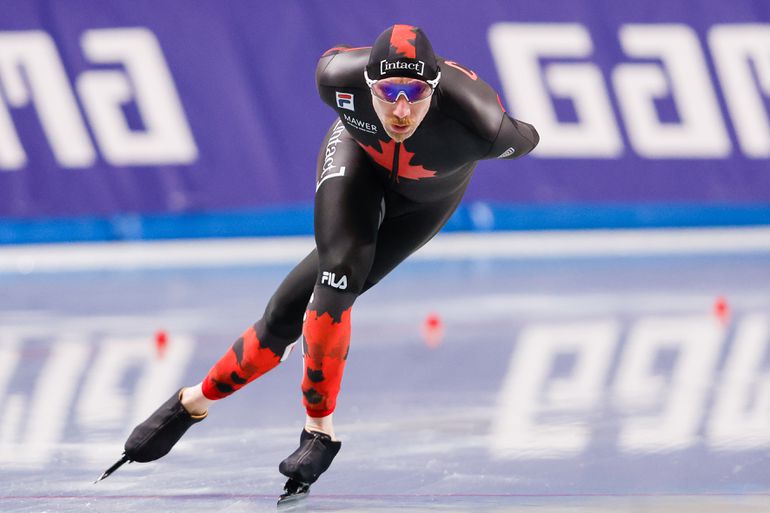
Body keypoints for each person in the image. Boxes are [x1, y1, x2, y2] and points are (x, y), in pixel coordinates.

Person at [99, 24, 539, 501]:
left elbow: (529, 136)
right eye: (388, 92)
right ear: (368, 85)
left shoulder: (483, 125)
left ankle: (315, 431)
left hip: (426, 203)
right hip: (357, 164)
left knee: (317, 297)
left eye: (415, 92)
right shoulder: (335, 77)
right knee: (301, 300)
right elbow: (337, 59)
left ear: (433, 89)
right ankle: (193, 403)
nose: (401, 109)